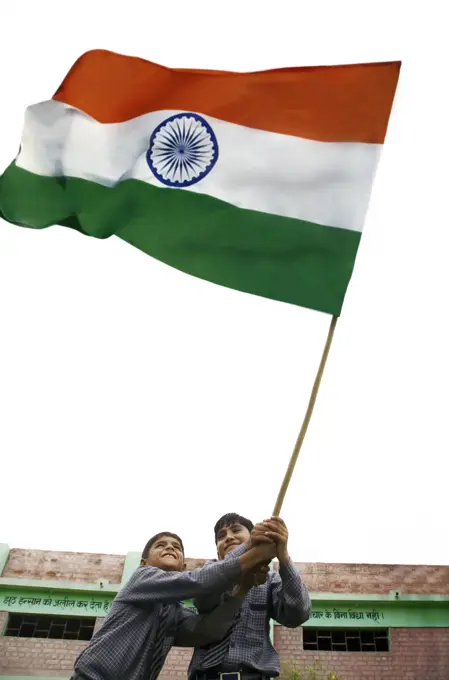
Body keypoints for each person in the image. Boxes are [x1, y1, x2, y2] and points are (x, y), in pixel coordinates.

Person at [70, 530, 276, 680]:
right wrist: (252, 551)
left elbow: (207, 631)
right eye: (161, 545)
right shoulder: (141, 579)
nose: (170, 547)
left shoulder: (175, 612)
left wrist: (243, 589)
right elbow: (199, 581)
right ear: (143, 563)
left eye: (176, 547)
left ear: (183, 566)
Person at [189, 513, 312, 680]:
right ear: (218, 552)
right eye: (221, 536)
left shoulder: (270, 580)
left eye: (236, 530)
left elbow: (298, 614)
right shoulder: (207, 573)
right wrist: (248, 547)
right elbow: (203, 598)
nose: (229, 538)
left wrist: (283, 556)